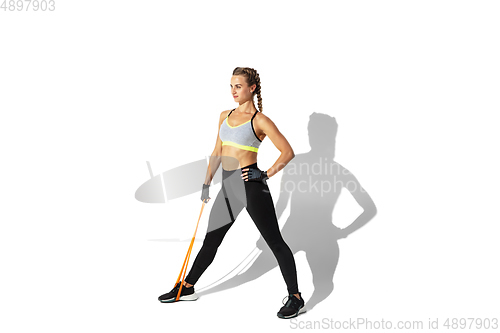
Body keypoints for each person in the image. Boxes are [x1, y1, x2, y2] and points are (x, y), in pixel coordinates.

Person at [158, 67, 306, 319]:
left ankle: (295, 297)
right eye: (231, 86)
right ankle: (188, 286)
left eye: (238, 86)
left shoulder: (260, 120)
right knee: (211, 240)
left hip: (251, 186)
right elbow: (217, 150)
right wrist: (207, 182)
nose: (233, 91)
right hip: (228, 187)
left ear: (252, 88)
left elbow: (287, 152)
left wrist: (265, 174)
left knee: (275, 243)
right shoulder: (224, 115)